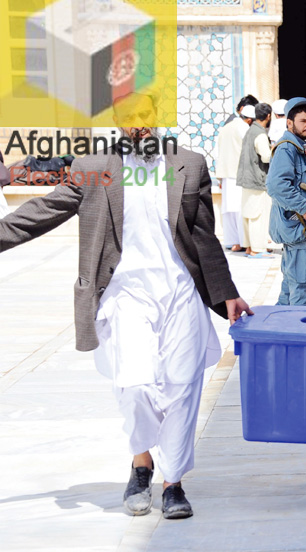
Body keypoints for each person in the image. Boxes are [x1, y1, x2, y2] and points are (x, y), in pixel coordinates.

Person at [0, 92, 252, 519]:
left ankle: (173, 483)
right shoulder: (94, 168)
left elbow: (205, 236)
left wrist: (226, 291)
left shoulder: (188, 165)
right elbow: (44, 210)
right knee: (135, 385)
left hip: (180, 292)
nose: (139, 125)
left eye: (146, 116)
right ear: (117, 123)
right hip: (125, 294)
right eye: (130, 118)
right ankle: (141, 461)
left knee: (182, 387)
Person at [267, 97, 306, 305]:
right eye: (303, 121)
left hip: (296, 229)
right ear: (289, 123)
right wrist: (303, 206)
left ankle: (276, 332)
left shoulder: (298, 146)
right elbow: (275, 185)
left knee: (290, 291)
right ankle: (297, 335)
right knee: (302, 291)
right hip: (298, 228)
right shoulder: (287, 148)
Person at [215, 97, 257, 251]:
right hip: (239, 173)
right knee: (241, 209)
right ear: (249, 120)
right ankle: (243, 241)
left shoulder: (226, 127)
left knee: (229, 210)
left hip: (225, 174)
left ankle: (232, 241)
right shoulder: (244, 128)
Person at [236, 103, 274, 258]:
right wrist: (274, 149)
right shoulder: (260, 134)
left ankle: (250, 247)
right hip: (258, 180)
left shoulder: (250, 131)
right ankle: (258, 249)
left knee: (248, 214)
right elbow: (266, 156)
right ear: (268, 116)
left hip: (246, 179)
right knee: (259, 216)